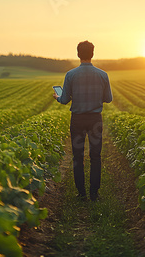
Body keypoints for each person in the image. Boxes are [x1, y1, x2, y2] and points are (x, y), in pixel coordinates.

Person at [53, 40, 113, 201]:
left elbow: (65, 100)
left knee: (77, 156)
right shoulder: (103, 75)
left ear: (78, 54)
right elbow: (108, 99)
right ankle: (94, 193)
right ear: (92, 54)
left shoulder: (70, 75)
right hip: (95, 119)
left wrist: (58, 97)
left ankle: (81, 194)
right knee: (96, 156)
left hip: (77, 120)